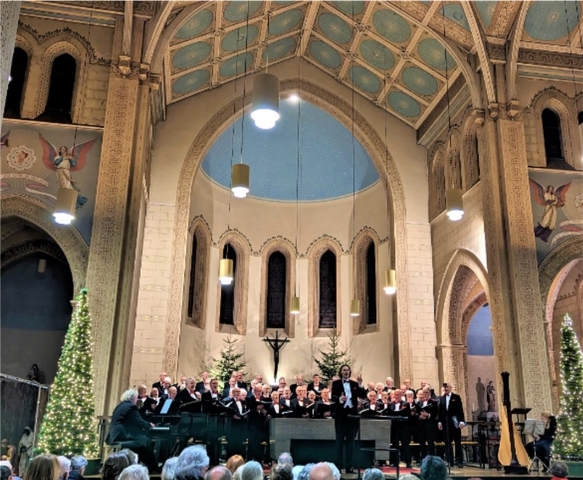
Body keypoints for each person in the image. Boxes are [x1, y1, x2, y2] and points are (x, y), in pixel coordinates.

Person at [107, 389, 156, 471]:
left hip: (115, 435)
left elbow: (130, 421)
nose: (137, 400)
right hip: (122, 435)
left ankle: (140, 465)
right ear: (133, 398)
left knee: (142, 440)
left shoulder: (120, 406)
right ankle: (152, 467)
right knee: (145, 441)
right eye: (136, 398)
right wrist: (149, 425)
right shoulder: (131, 407)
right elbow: (138, 421)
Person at [331, 364, 365, 473]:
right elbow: (333, 397)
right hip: (341, 415)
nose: (346, 372)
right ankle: (339, 466)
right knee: (339, 441)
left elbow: (362, 395)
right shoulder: (336, 383)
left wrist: (360, 385)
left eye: (347, 370)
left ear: (350, 372)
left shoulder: (354, 384)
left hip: (352, 415)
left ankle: (349, 466)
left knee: (351, 442)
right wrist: (340, 399)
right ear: (340, 372)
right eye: (344, 370)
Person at [437, 382, 466, 468]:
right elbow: (440, 412)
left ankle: (459, 460)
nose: (446, 389)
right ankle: (450, 461)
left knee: (457, 442)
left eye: (447, 387)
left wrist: (461, 421)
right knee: (447, 443)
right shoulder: (441, 399)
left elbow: (460, 410)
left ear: (451, 388)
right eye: (445, 387)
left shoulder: (456, 397)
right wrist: (439, 422)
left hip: (455, 422)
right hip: (446, 424)